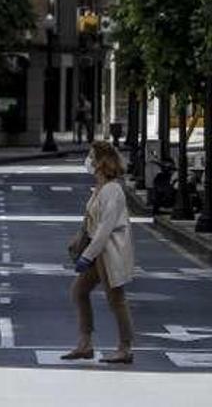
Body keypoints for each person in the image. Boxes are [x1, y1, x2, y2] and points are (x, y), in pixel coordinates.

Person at [64, 141, 135, 364]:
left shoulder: (113, 190)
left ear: (101, 161)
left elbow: (105, 228)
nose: (89, 160)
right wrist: (79, 240)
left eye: (92, 156)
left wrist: (86, 256)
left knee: (116, 300)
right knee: (79, 291)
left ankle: (125, 348)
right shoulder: (100, 189)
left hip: (108, 251)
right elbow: (91, 222)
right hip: (97, 251)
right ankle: (85, 344)